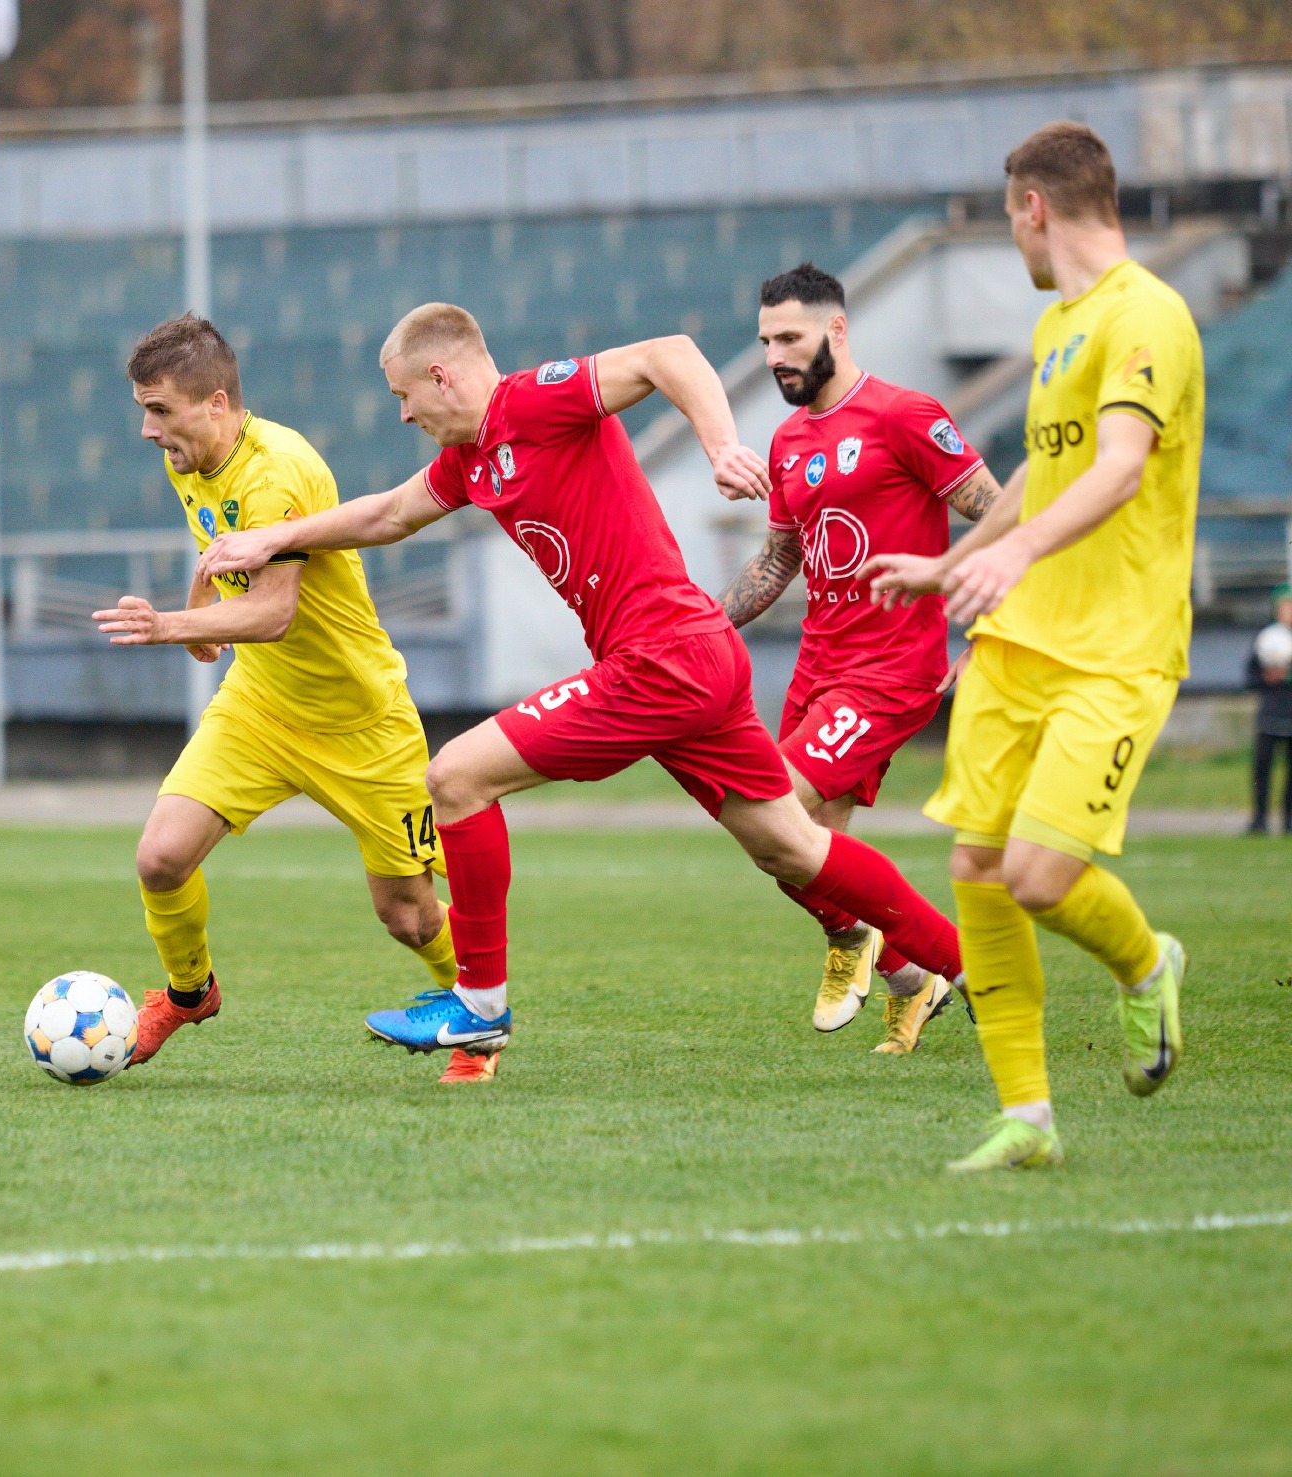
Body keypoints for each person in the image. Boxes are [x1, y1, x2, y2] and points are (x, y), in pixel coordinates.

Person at [202, 305, 966, 1069]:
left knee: (456, 777)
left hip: (659, 657)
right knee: (792, 847)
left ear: (442, 375)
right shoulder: (473, 457)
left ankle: (480, 1006)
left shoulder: (534, 400)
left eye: (406, 396)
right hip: (690, 657)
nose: (405, 414)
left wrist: (723, 446)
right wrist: (278, 537)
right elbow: (392, 512)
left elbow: (669, 351)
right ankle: (965, 966)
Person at [862, 122, 1201, 1171]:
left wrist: (1013, 561)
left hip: (1114, 645)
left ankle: (1145, 965)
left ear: (1030, 207)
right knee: (975, 865)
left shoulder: (1148, 313)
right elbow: (1045, 472)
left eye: (1006, 216)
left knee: (1041, 876)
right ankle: (1027, 1118)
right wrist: (952, 559)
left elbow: (1117, 470)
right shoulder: (1062, 323)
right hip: (1019, 641)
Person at [95, 312, 482, 1082]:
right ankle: (187, 992)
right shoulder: (189, 458)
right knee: (161, 857)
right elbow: (219, 545)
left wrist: (171, 625)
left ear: (216, 402)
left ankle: (477, 1021)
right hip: (261, 705)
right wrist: (201, 605)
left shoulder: (278, 470)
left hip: (359, 720)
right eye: (143, 408)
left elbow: (274, 611)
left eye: (159, 409)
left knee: (406, 915)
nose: (147, 429)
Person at [720, 262, 1004, 1054]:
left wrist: (988, 626)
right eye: (766, 340)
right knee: (796, 854)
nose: (775, 355)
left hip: (890, 672)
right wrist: (699, 626)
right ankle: (912, 977)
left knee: (768, 813)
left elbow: (1000, 513)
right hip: (817, 669)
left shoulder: (906, 415)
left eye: (790, 337)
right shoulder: (787, 439)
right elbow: (779, 561)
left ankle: (902, 951)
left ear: (836, 331)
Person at [1246, 585, 1292, 836]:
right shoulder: (1266, 638)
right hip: (1270, 714)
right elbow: (1249, 679)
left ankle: (1289, 821)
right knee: (1262, 770)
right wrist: (1268, 678)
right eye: (1283, 607)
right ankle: (1259, 820)